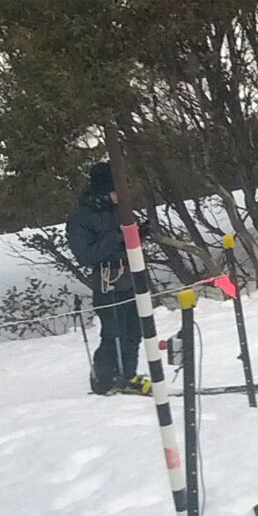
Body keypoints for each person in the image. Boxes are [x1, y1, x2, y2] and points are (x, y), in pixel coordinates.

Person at [65, 160, 145, 396]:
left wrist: (141, 233)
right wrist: (117, 237)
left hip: (131, 278)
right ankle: (104, 379)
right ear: (104, 190)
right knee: (113, 333)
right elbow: (85, 254)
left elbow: (127, 240)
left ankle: (128, 375)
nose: (120, 194)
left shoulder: (120, 210)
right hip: (107, 282)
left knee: (134, 331)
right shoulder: (81, 217)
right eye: (115, 189)